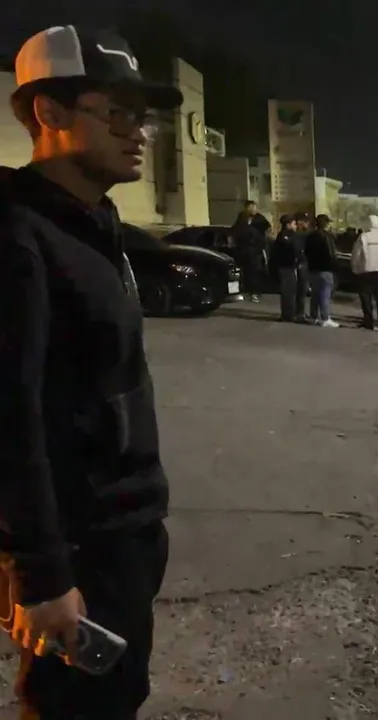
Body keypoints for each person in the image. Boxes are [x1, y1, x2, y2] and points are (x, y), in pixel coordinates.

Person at [0, 25, 179, 719]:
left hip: (125, 533)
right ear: (49, 112)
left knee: (118, 695)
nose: (140, 133)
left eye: (143, 117)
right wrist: (42, 574)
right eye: (118, 114)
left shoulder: (93, 226)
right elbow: (11, 417)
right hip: (80, 546)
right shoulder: (18, 237)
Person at [304, 214, 340, 327]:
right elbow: (331, 254)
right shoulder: (327, 236)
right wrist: (335, 267)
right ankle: (325, 318)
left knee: (315, 294)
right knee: (325, 293)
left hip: (313, 268)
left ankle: (313, 316)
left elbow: (306, 252)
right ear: (325, 224)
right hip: (326, 269)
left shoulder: (310, 236)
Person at [230, 199, 269, 301]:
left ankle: (255, 293)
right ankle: (244, 291)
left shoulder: (260, 218)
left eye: (254, 207)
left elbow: (268, 228)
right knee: (243, 272)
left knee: (255, 272)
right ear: (246, 208)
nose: (253, 209)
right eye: (251, 207)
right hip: (243, 249)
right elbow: (234, 231)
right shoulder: (241, 218)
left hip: (255, 250)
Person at [269, 214, 302, 322]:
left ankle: (289, 313)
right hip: (287, 267)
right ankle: (288, 314)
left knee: (290, 291)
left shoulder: (290, 235)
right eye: (294, 224)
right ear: (288, 224)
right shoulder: (284, 236)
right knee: (288, 292)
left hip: (289, 267)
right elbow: (290, 250)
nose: (295, 226)